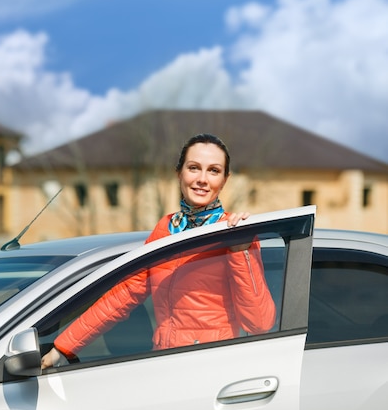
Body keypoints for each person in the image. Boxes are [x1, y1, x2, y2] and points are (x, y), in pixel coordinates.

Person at [41, 133, 276, 368]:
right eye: (194, 168)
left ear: (224, 180)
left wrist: (239, 250)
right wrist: (63, 348)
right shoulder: (165, 228)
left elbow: (260, 323)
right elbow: (121, 297)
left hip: (211, 365)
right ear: (179, 173)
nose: (202, 179)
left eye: (213, 171)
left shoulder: (235, 232)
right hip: (164, 362)